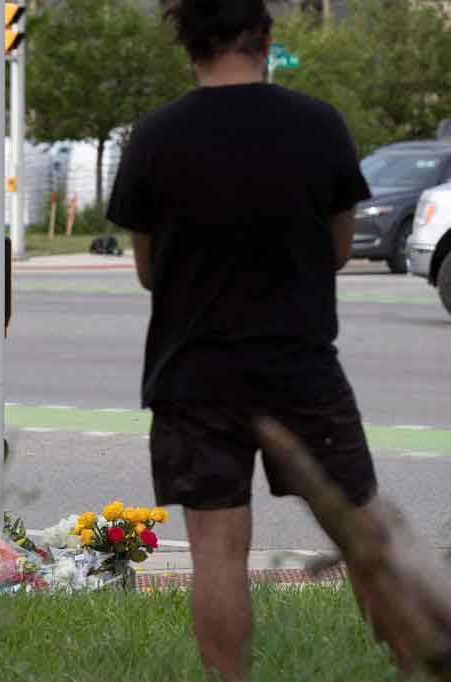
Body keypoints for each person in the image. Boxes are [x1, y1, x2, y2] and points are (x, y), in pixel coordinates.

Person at [106, 1, 409, 678]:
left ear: (187, 44)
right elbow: (336, 250)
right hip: (300, 369)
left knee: (217, 550)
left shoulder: (155, 136)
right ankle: (416, 668)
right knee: (364, 539)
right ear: (266, 37)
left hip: (193, 376)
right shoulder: (317, 125)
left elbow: (149, 271)